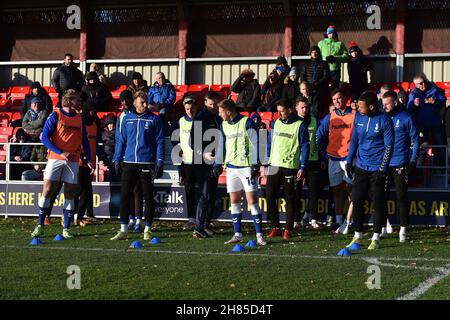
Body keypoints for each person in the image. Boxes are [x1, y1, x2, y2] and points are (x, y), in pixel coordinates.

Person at [31, 89, 92, 239]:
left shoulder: (79, 117)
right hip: (55, 158)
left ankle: (66, 228)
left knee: (70, 194)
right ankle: (40, 225)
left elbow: (85, 140)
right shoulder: (56, 115)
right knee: (47, 190)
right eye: (77, 99)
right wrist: (61, 152)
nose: (80, 102)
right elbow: (45, 138)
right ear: (70, 100)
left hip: (73, 161)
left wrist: (89, 159)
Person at [111, 91, 165, 241]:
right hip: (129, 162)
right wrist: (117, 159)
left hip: (146, 163)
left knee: (147, 196)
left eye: (146, 102)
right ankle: (123, 229)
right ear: (135, 103)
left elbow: (160, 141)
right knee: (125, 195)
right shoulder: (126, 119)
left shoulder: (154, 119)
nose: (145, 105)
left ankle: (147, 228)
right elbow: (120, 140)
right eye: (142, 102)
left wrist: (159, 161)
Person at [345, 91, 394, 250]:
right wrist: (349, 160)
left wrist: (382, 169)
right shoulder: (359, 118)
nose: (358, 108)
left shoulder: (385, 120)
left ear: (371, 107)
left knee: (378, 203)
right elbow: (354, 140)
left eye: (361, 106)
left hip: (377, 169)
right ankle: (357, 236)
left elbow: (389, 147)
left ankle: (376, 237)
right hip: (361, 167)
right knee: (357, 200)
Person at [214, 99, 267, 246]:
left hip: (246, 168)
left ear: (229, 111)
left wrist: (256, 163)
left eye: (221, 112)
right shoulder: (224, 125)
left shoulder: (247, 122)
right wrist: (217, 164)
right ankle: (237, 234)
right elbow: (221, 145)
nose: (220, 114)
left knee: (252, 202)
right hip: (231, 168)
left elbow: (257, 142)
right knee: (234, 201)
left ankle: (259, 235)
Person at [263, 98, 309, 240]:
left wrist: (302, 166)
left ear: (290, 110)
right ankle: (275, 227)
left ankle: (288, 228)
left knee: (290, 199)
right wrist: (266, 162)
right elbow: (270, 143)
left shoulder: (299, 125)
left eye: (282, 112)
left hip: (290, 167)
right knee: (269, 196)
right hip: (274, 165)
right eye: (278, 112)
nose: (279, 114)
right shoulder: (275, 123)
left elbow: (305, 146)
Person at [382, 90, 419, 242]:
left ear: (395, 103)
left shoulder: (406, 117)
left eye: (387, 104)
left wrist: (412, 160)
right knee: (380, 197)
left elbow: (415, 140)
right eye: (382, 104)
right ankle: (382, 227)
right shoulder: (382, 118)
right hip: (383, 165)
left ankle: (403, 230)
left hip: (400, 163)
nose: (384, 107)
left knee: (401, 197)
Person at [317, 89, 355, 230]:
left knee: (351, 190)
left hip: (349, 159)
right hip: (333, 158)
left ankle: (350, 221)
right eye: (334, 100)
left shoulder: (354, 115)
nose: (337, 102)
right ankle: (339, 221)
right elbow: (319, 136)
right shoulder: (330, 117)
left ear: (345, 98)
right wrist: (325, 154)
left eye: (339, 98)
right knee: (337, 190)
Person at [295, 96, 326, 229]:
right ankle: (295, 219)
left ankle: (313, 219)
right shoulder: (293, 122)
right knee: (296, 191)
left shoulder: (315, 121)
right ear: (296, 108)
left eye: (306, 107)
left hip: (313, 160)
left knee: (314, 191)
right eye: (302, 107)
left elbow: (320, 140)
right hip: (296, 162)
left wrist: (322, 157)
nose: (304, 109)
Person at [171, 96, 199, 231]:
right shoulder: (180, 122)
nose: (190, 111)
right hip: (187, 162)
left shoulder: (202, 120)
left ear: (196, 107)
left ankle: (202, 220)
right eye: (187, 109)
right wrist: (179, 168)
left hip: (201, 163)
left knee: (202, 192)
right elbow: (176, 146)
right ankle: (191, 219)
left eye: (192, 108)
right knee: (189, 191)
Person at [407, 73, 447, 166]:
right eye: (419, 84)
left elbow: (443, 101)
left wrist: (435, 101)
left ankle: (442, 170)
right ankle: (419, 169)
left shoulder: (435, 90)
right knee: (421, 148)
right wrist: (414, 105)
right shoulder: (414, 94)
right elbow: (408, 109)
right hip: (421, 127)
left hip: (435, 124)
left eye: (423, 82)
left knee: (440, 146)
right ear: (415, 85)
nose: (422, 85)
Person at [74, 109, 102, 226]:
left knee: (87, 191)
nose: (93, 113)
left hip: (90, 163)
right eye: (91, 111)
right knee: (79, 190)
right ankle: (71, 214)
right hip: (81, 162)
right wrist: (84, 158)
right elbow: (78, 144)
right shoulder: (81, 125)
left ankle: (82, 216)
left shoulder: (95, 125)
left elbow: (95, 144)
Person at [300, 46, 330, 119]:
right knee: (307, 107)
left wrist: (316, 84)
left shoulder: (324, 63)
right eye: (313, 52)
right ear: (310, 54)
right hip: (308, 90)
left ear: (319, 53)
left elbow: (326, 76)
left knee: (315, 109)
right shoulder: (306, 64)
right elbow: (303, 75)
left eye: (316, 52)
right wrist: (305, 85)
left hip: (319, 90)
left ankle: (316, 124)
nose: (314, 54)